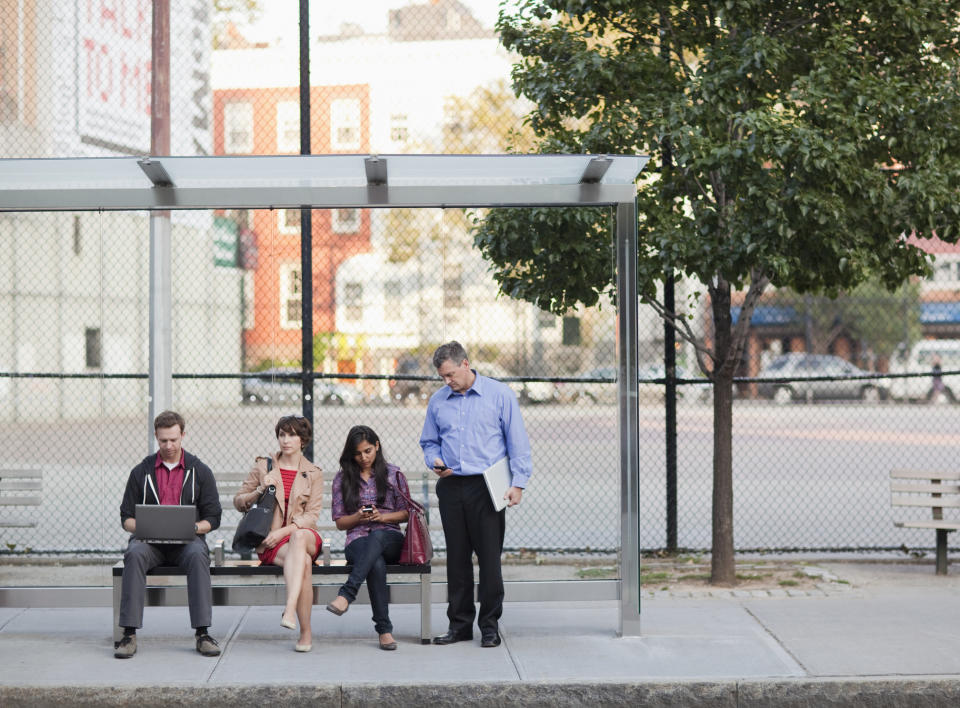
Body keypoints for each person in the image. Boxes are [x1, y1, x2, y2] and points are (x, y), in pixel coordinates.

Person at [419, 341, 532, 648]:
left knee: (489, 561)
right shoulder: (439, 401)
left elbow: (517, 443)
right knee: (456, 560)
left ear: (466, 364)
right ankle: (459, 626)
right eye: (442, 376)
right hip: (452, 485)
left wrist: (518, 483)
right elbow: (428, 442)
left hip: (488, 487)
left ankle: (490, 625)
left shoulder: (500, 395)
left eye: (451, 374)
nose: (447, 381)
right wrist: (435, 461)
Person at [115, 410, 222, 659]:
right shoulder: (141, 471)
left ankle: (203, 633)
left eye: (174, 439)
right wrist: (143, 528)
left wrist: (193, 528)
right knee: (134, 553)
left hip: (188, 542)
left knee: (198, 554)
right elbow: (125, 517)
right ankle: (128, 634)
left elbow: (213, 518)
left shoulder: (199, 471)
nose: (169, 445)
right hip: (149, 543)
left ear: (183, 435)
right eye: (163, 440)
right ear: (156, 437)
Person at [233, 415, 324, 652]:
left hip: (303, 536)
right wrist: (260, 490)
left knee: (299, 537)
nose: (286, 440)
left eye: (292, 435)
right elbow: (239, 501)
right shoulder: (264, 467)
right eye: (282, 434)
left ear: (303, 440)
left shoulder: (313, 473)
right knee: (303, 562)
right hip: (271, 543)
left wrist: (285, 530)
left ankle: (289, 607)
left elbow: (312, 516)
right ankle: (305, 634)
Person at [327, 425, 411, 651]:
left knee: (379, 537)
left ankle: (347, 594)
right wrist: (357, 517)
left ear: (377, 446)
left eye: (367, 451)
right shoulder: (342, 478)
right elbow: (339, 522)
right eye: (357, 453)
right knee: (375, 561)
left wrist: (381, 517)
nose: (363, 458)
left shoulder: (394, 474)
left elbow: (406, 513)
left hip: (390, 537)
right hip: (357, 538)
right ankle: (384, 630)